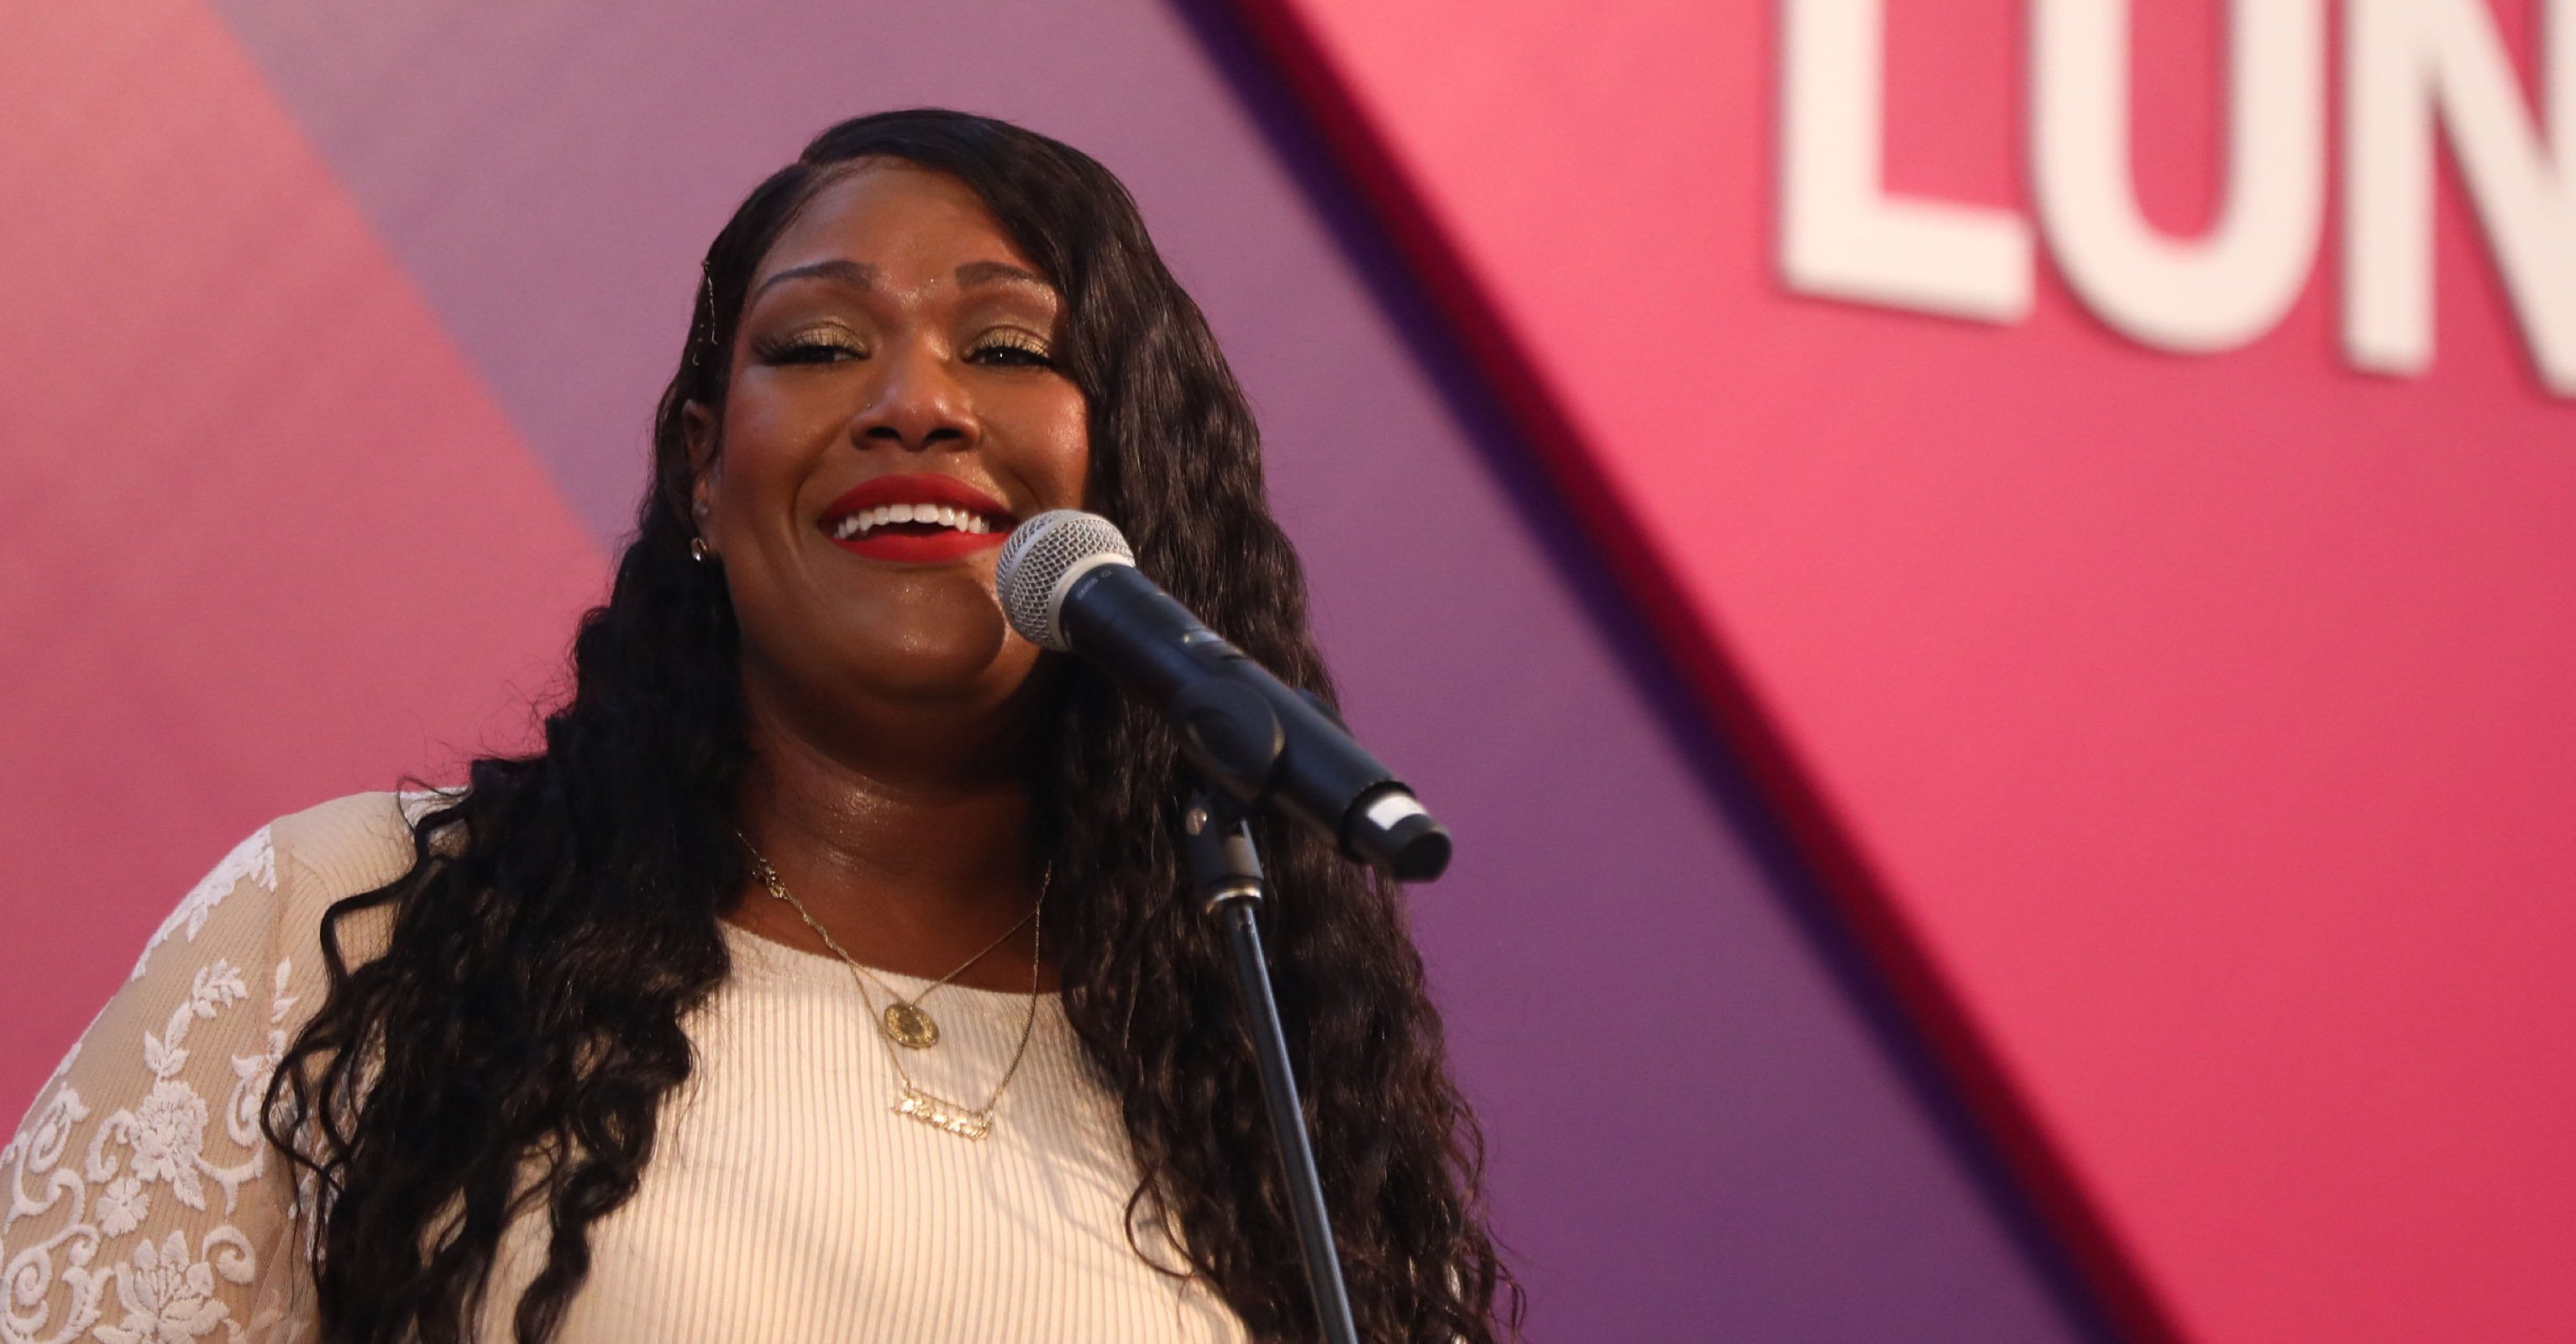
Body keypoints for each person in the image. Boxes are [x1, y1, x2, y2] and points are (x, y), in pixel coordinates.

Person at [0, 108, 1514, 1344]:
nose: (916, 402)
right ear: (702, 472)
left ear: (1131, 481)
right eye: (817, 347)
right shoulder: (361, 932)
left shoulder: (1264, 1087)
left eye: (1007, 350)